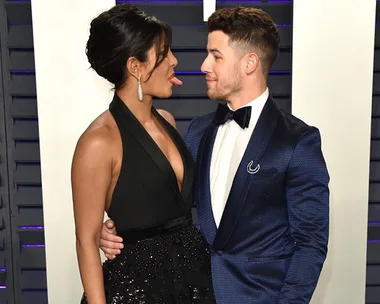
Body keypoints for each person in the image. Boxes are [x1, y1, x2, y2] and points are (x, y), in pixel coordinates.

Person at [100, 6, 330, 304]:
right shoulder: (198, 131)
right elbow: (171, 205)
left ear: (249, 63)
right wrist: (120, 230)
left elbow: (310, 244)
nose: (204, 65)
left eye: (216, 56)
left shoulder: (297, 141)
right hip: (193, 294)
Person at [71, 3, 215, 303]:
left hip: (193, 279)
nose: (175, 61)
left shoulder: (168, 121)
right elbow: (86, 242)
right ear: (136, 67)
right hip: (137, 290)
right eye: (164, 55)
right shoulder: (98, 142)